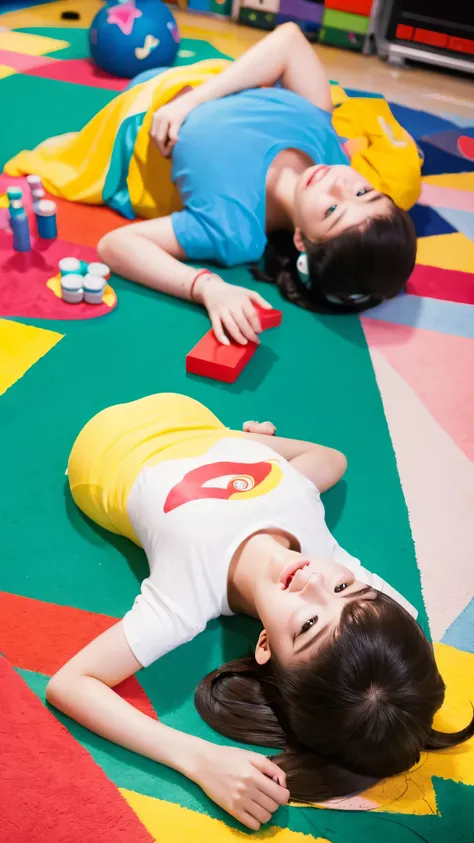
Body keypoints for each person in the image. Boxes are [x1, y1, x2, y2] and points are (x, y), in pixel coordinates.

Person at [47, 393, 473, 830]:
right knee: (333, 467)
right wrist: (246, 445)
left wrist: (199, 759)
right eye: (346, 588)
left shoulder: (186, 595)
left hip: (103, 450)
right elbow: (331, 460)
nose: (313, 583)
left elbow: (71, 684)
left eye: (308, 624)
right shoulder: (325, 553)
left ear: (265, 645)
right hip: (199, 419)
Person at [96, 23, 418, 345]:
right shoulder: (327, 143)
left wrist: (207, 288)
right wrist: (190, 101)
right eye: (363, 192)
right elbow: (290, 39)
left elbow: (114, 244)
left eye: (332, 210)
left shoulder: (233, 230)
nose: (338, 184)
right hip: (194, 79)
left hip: (136, 110)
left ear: (302, 242)